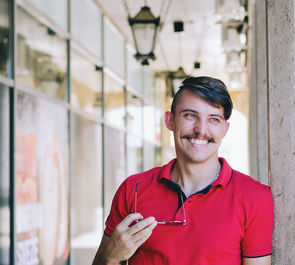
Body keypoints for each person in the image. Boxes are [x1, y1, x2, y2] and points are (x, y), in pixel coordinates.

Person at [92, 76, 274, 265]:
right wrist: (111, 257)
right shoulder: (133, 189)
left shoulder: (255, 197)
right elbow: (101, 261)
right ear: (170, 121)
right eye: (190, 115)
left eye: (213, 119)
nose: (201, 130)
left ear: (225, 129)